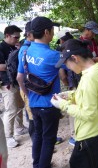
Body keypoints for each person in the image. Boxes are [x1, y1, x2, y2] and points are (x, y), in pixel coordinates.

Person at [51, 39, 98, 168]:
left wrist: (63, 105)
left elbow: (88, 114)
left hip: (89, 136)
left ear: (75, 58)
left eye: (67, 63)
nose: (67, 67)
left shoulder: (88, 79)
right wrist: (69, 95)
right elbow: (91, 95)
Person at [17, 16, 62, 168]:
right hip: (50, 104)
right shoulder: (54, 55)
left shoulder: (25, 52)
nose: (54, 33)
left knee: (38, 136)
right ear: (46, 32)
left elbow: (19, 77)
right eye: (52, 30)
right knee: (49, 139)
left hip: (34, 103)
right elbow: (77, 64)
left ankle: (36, 164)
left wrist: (28, 96)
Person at [0, 24, 28, 148]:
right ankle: (8, 137)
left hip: (16, 81)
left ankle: (19, 128)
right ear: (7, 36)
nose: (17, 39)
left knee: (20, 106)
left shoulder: (13, 47)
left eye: (18, 37)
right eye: (15, 37)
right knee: (11, 109)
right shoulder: (1, 48)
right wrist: (12, 66)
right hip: (6, 83)